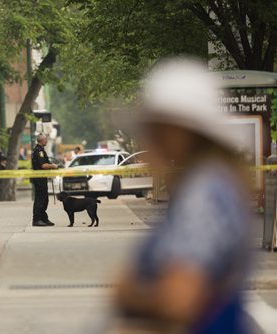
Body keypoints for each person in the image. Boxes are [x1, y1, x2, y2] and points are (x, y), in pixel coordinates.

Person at [115, 58, 251, 333]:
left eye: (154, 130)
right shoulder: (211, 185)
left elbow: (178, 300)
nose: (146, 140)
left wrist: (128, 293)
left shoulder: (204, 196)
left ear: (178, 133)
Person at [31, 133, 58, 227]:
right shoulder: (39, 151)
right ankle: (37, 220)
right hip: (39, 179)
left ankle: (43, 218)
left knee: (45, 199)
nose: (46, 141)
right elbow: (43, 165)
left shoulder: (41, 150)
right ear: (42, 140)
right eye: (46, 139)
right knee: (40, 199)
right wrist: (53, 166)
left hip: (42, 178)